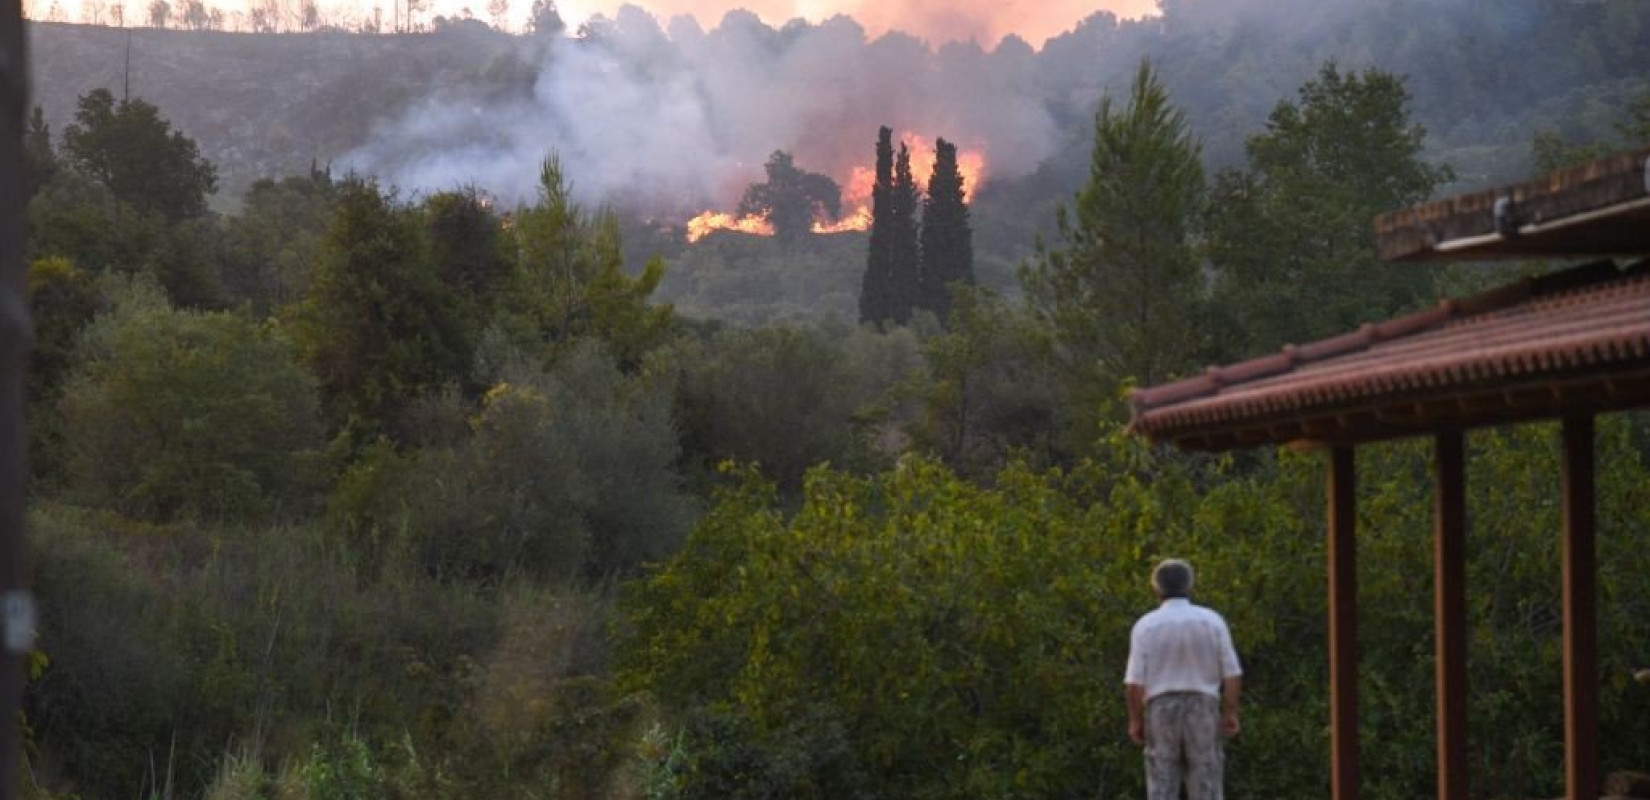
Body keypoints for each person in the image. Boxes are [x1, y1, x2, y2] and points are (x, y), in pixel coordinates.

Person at [1124, 559, 1242, 800]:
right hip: (1203, 705)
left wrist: (1135, 719)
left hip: (1161, 706)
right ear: (1190, 585)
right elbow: (1232, 674)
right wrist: (1229, 712)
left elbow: (1134, 682)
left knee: (1162, 782)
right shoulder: (1212, 621)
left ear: (1156, 587)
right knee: (1206, 781)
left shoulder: (1146, 625)